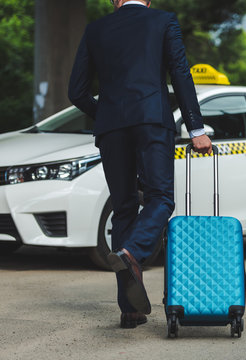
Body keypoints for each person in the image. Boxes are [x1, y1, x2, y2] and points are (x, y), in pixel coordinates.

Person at [68, 0, 212, 328]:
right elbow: (180, 72)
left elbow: (75, 92)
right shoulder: (163, 21)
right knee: (161, 197)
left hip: (111, 128)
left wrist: (106, 113)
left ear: (115, 0)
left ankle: (129, 310)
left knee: (124, 208)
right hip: (151, 121)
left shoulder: (96, 29)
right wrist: (197, 129)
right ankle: (133, 252)